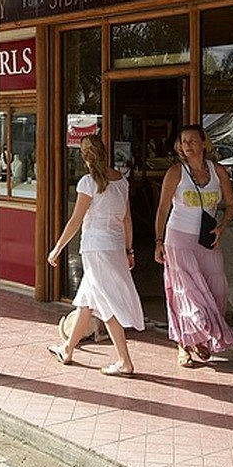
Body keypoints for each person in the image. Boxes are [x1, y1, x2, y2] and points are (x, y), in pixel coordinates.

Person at [47, 134, 145, 377]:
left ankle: (124, 361)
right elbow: (127, 219)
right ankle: (67, 349)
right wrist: (129, 250)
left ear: (84, 156)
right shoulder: (121, 181)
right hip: (113, 247)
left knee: (105, 301)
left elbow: (75, 221)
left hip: (94, 248)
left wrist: (58, 247)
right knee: (86, 301)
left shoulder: (88, 183)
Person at [154, 124, 233, 368]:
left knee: (217, 290)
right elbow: (162, 208)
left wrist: (222, 228)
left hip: (207, 239)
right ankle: (184, 344)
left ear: (204, 143)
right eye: (183, 141)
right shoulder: (176, 172)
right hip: (178, 238)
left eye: (192, 140)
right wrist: (159, 241)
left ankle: (200, 335)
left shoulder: (218, 171)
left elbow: (231, 205)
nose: (187, 145)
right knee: (187, 295)